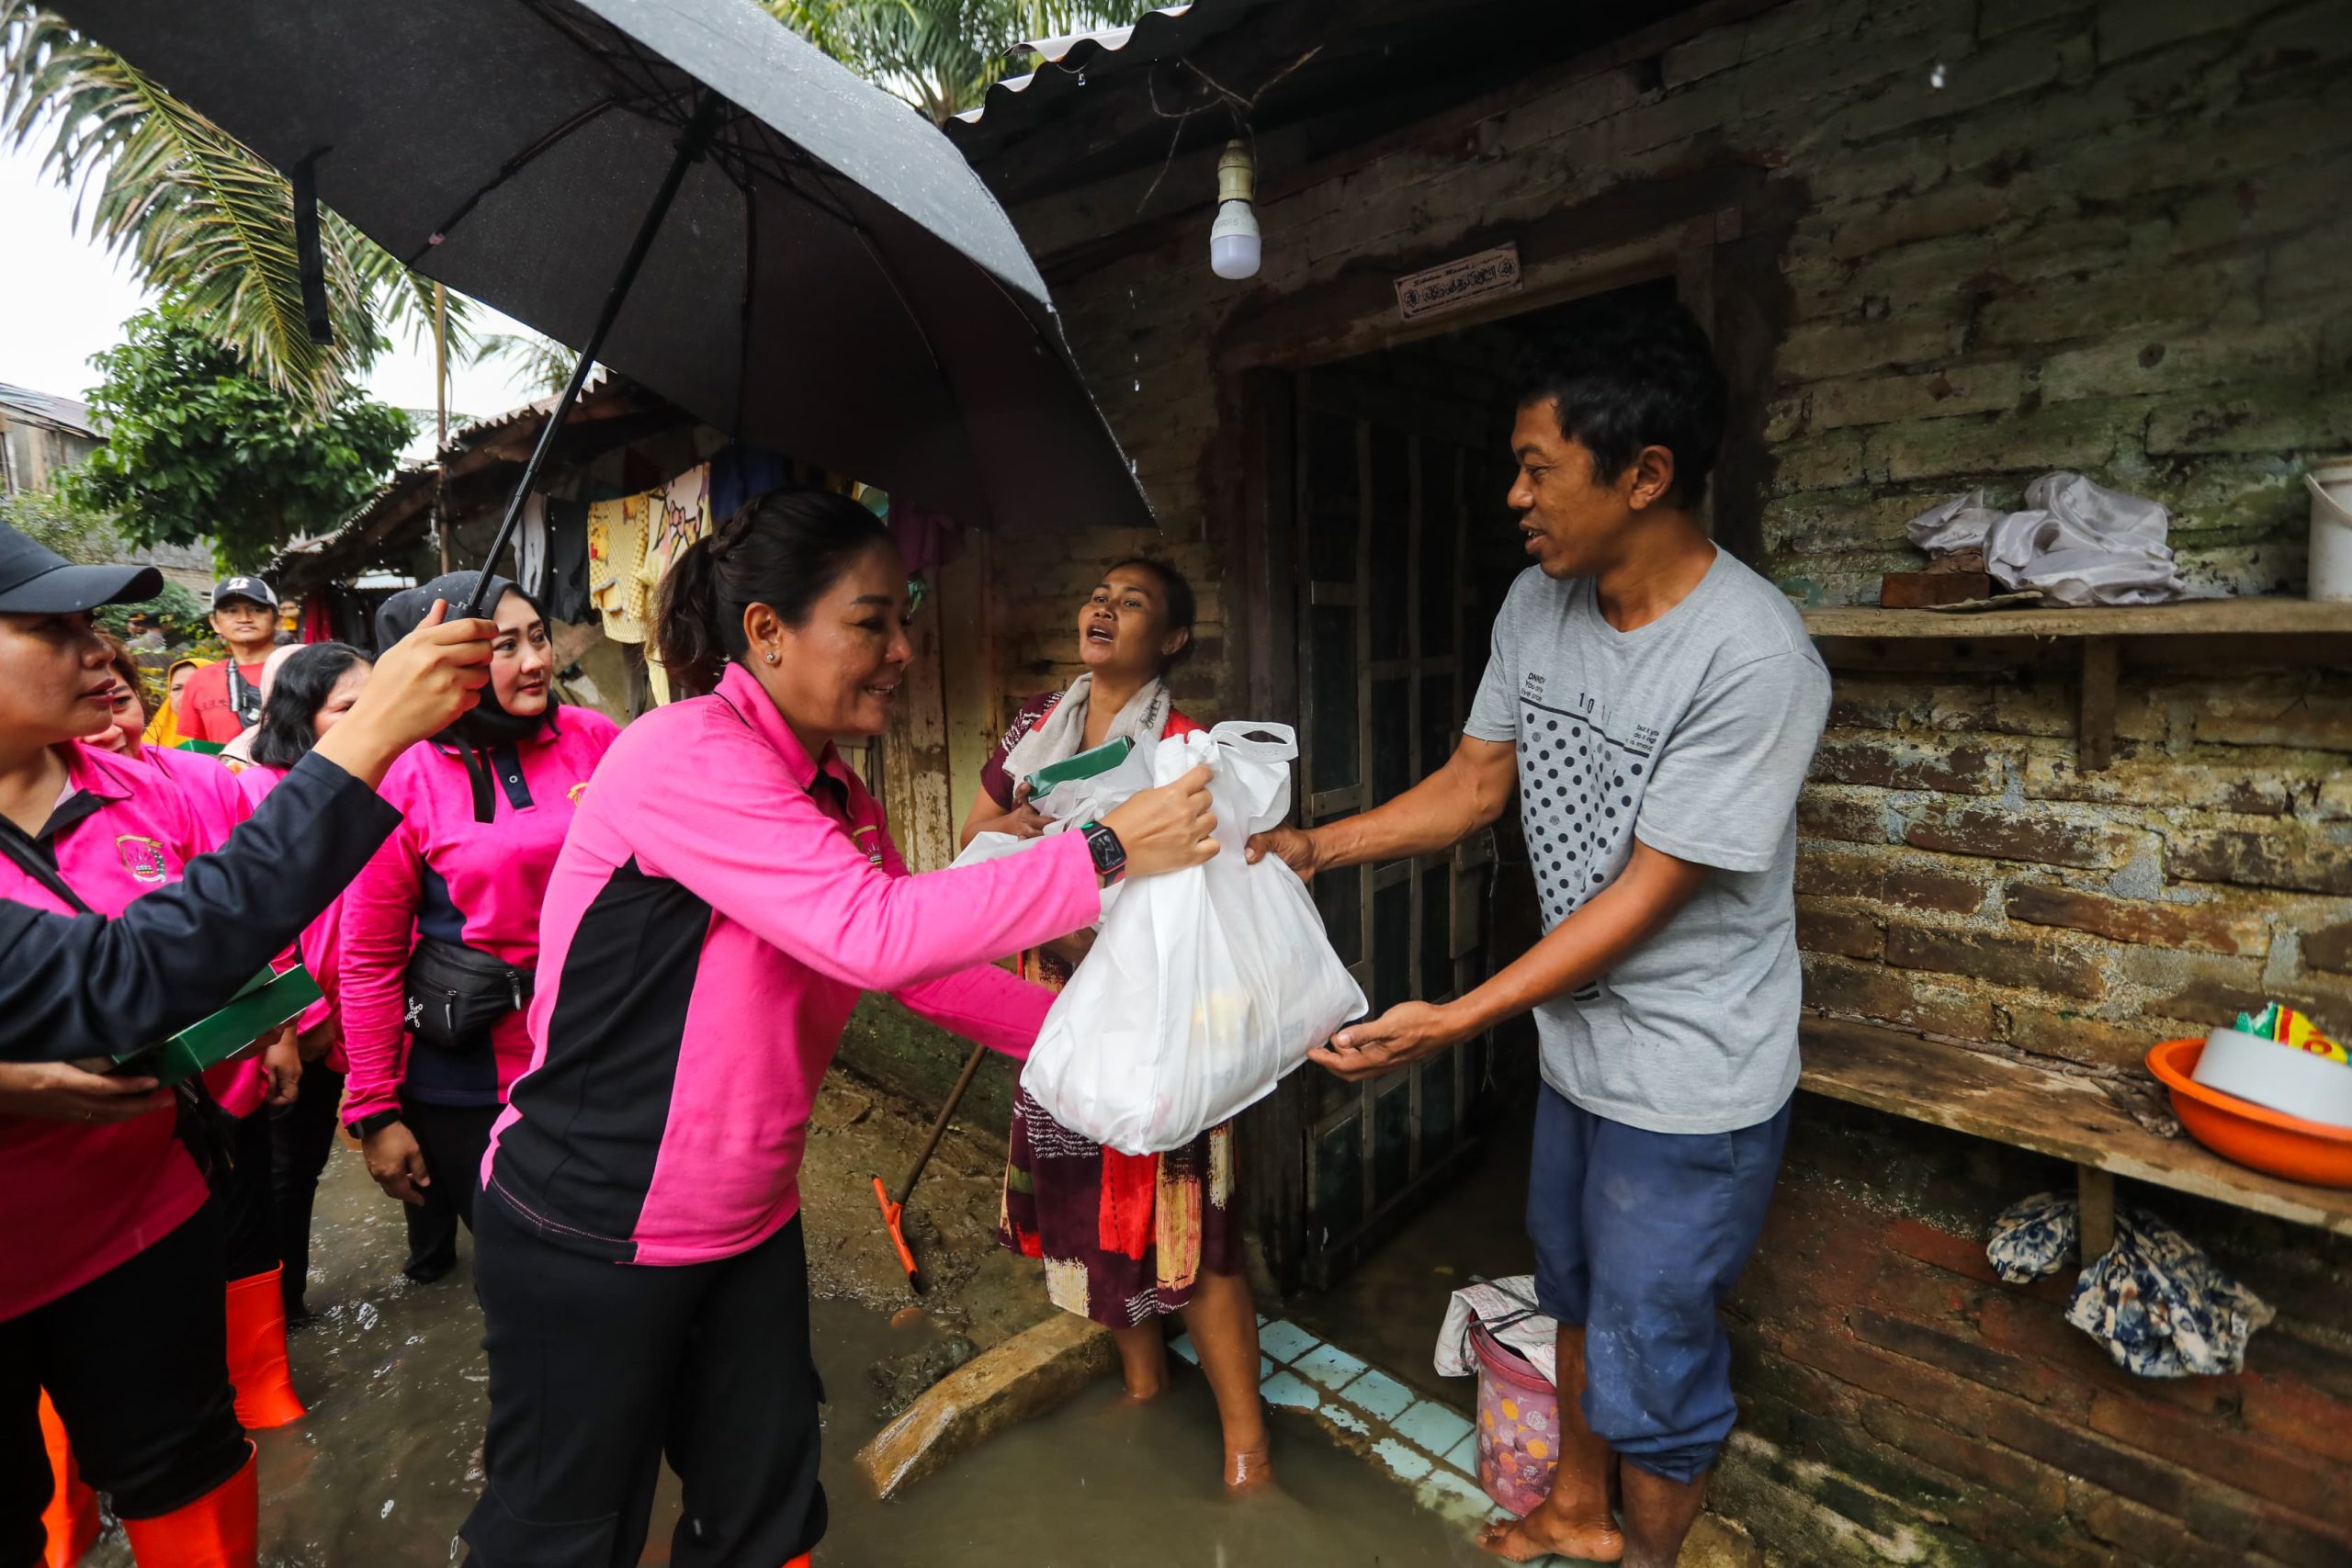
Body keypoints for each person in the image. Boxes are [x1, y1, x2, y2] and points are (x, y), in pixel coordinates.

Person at [458, 491, 1218, 1567]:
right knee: (566, 1537)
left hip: (748, 1225)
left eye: (902, 618)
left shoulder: (832, 787)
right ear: (766, 632)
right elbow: (870, 935)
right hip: (593, 1222)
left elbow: (924, 974)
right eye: (873, 622)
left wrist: (1120, 1034)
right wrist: (1102, 851)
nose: (903, 649)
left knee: (764, 1517)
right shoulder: (684, 753)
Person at [1250, 304, 1830, 1568]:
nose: (1513, 495)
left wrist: (1454, 1021)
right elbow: (1472, 786)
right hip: (1578, 1061)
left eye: (1535, 467)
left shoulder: (1753, 655)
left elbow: (1644, 896)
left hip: (1691, 1082)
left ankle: (1652, 1550)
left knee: (1653, 1353)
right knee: (1572, 1295)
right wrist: (1310, 845)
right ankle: (1578, 1509)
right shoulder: (1538, 603)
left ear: (1646, 475)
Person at [966, 559, 1272, 1489]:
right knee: (1083, 1216)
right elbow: (975, 836)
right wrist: (1029, 857)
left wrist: (1052, 877)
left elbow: (1202, 898)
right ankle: (1143, 1386)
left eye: (1132, 602)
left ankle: (1245, 1451)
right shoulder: (1035, 730)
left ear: (1172, 639)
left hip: (1153, 1019)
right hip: (1054, 1015)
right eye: (1098, 593)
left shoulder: (1186, 750)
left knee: (1197, 1232)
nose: (1104, 606)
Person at [338, 572, 621, 1287]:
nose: (534, 661)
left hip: (606, 1050)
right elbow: (369, 957)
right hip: (472, 1081)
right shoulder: (401, 773)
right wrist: (375, 1110)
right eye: (502, 646)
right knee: (523, 1277)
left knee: (620, 1258)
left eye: (537, 637)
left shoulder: (596, 740)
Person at [237, 642, 373, 1321]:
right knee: (285, 1172)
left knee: (320, 1160)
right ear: (301, 716)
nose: (372, 718)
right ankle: (279, 1317)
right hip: (297, 1024)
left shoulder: (370, 783)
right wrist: (291, 1027)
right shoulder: (259, 794)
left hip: (359, 1010)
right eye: (349, 707)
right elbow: (259, 926)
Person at [176, 577, 280, 743]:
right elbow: (198, 751)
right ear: (214, 623)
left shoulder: (304, 669)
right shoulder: (200, 680)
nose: (244, 618)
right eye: (231, 611)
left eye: (257, 609)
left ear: (278, 620)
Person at [141, 655, 204, 750]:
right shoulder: (152, 742)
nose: (184, 696)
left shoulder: (234, 737)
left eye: (195, 686)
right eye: (176, 689)